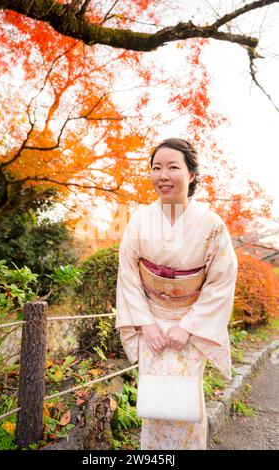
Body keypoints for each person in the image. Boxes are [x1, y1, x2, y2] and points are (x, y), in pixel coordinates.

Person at [115, 138, 238, 450]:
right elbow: (128, 274)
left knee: (184, 403)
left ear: (192, 174)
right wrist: (144, 323)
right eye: (157, 168)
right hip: (151, 323)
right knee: (153, 404)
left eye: (173, 167)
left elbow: (221, 281)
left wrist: (189, 326)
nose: (163, 175)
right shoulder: (140, 219)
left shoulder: (212, 225)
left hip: (190, 324)